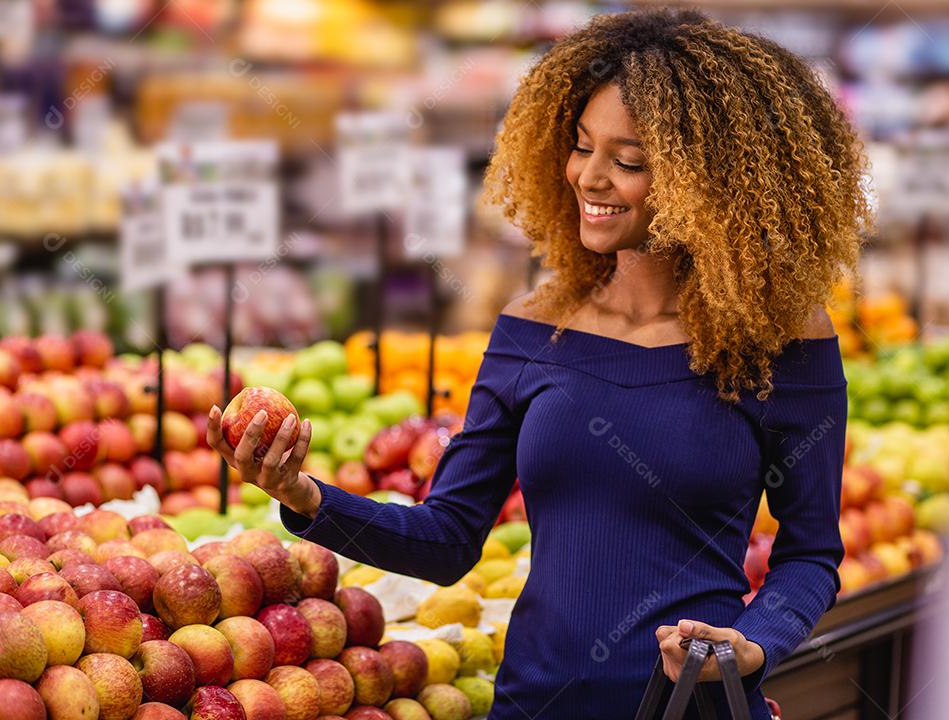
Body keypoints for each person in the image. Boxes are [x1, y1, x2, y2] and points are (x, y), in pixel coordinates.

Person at [206, 10, 870, 719]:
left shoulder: (780, 339)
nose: (591, 176)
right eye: (582, 147)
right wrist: (306, 497)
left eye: (630, 160)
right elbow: (449, 537)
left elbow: (809, 555)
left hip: (687, 707)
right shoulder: (534, 328)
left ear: (707, 181)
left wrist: (753, 643)